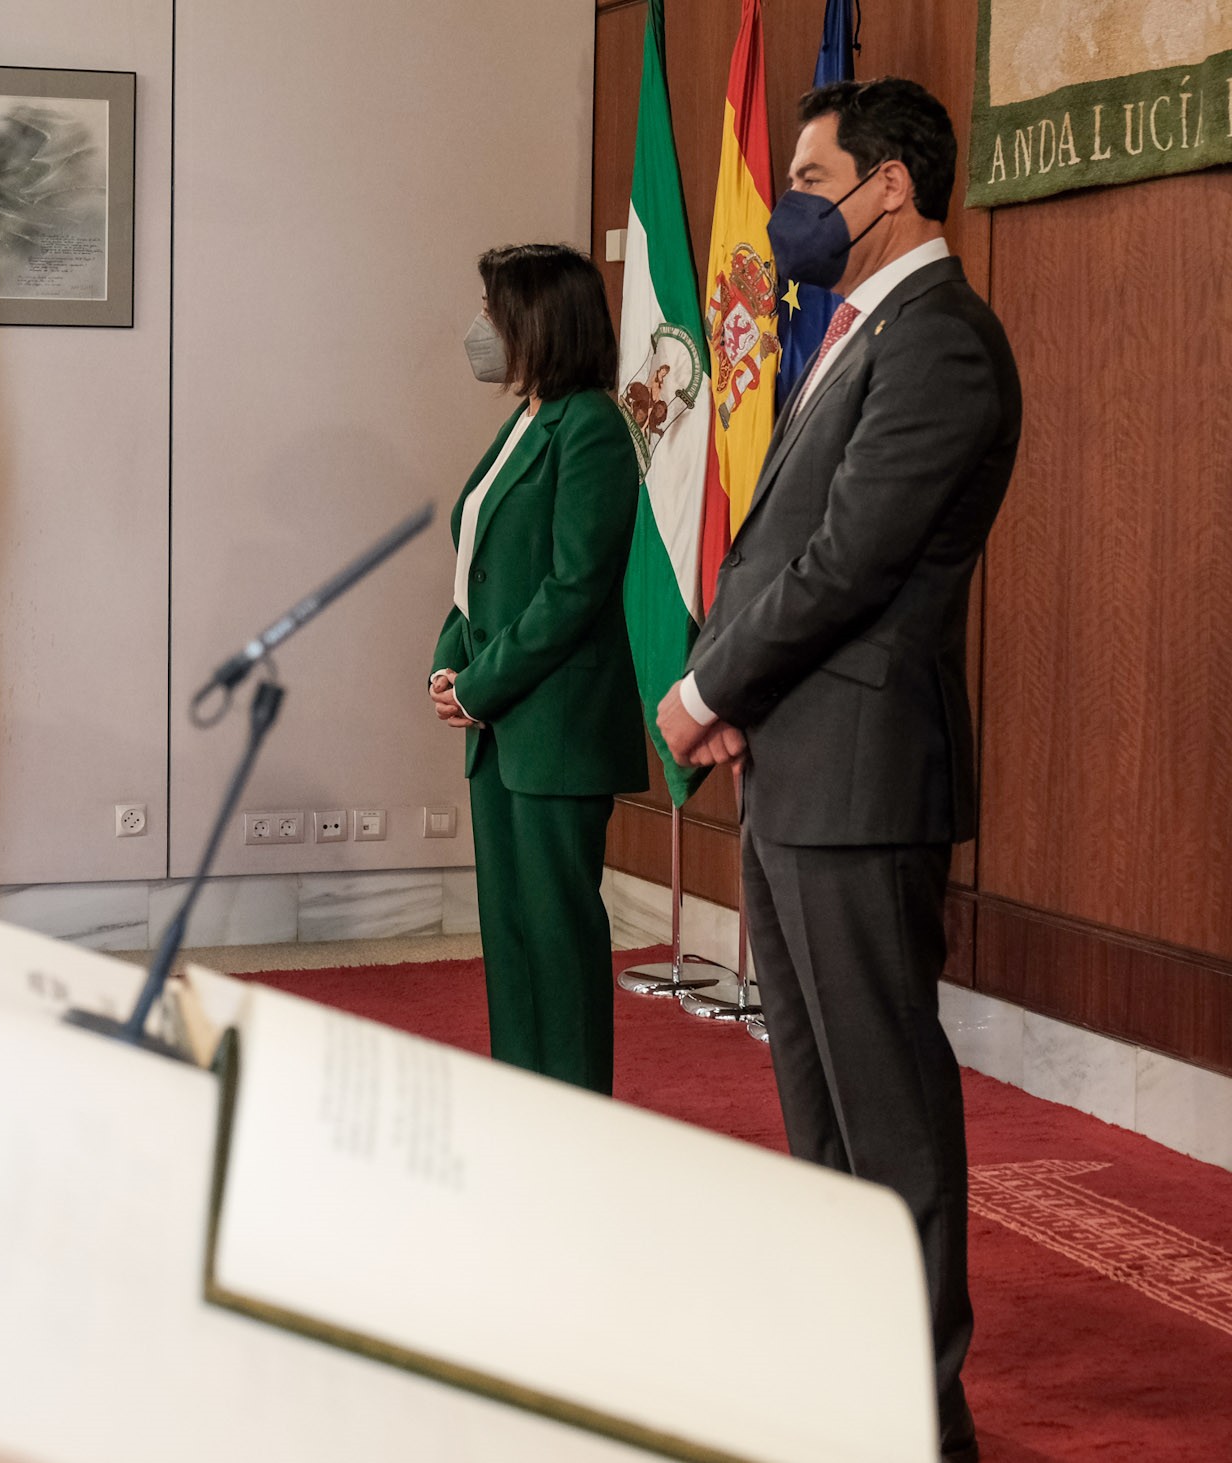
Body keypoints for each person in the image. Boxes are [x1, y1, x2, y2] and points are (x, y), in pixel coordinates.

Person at [655, 79, 1020, 1463]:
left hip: (863, 775)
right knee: (818, 1104)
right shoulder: (860, 330)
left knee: (887, 1112)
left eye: (812, 178)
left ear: (890, 188)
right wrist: (743, 696)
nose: (793, 207)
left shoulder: (942, 344)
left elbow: (849, 561)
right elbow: (774, 552)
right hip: (796, 762)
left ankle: (919, 1418)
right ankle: (842, 1373)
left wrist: (705, 687)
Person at [430, 243, 648, 1094]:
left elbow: (573, 588)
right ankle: (523, 1100)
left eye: (493, 312)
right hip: (502, 723)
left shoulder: (591, 424)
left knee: (558, 936)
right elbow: (478, 568)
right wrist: (450, 666)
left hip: (553, 722)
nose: (480, 330)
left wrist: (482, 687)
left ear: (538, 321)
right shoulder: (527, 418)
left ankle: (576, 1113)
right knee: (513, 932)